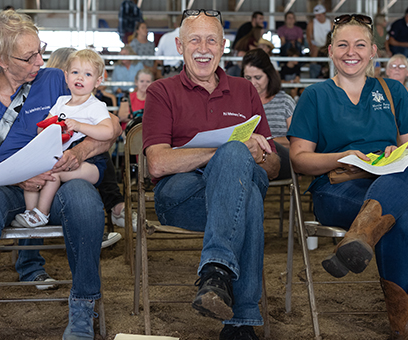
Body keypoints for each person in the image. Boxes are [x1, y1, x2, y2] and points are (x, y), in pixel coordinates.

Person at [0, 11, 119, 340]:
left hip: (58, 179)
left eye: (41, 50)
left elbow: (107, 132)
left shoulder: (56, 79)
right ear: (0, 59)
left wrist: (77, 155)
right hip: (8, 187)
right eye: (29, 57)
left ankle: (83, 307)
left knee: (84, 200)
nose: (40, 61)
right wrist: (17, 177)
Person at [287, 14, 408, 340]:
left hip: (395, 181)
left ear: (373, 52)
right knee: (400, 214)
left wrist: (386, 159)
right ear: (330, 51)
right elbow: (298, 159)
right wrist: (344, 157)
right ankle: (405, 325)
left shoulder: (393, 90)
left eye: (360, 45)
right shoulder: (315, 96)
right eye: (342, 44)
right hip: (339, 188)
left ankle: (362, 236)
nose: (351, 52)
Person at [143, 9, 280, 340]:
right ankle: (242, 321)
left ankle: (215, 275)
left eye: (211, 40)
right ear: (179, 45)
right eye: (194, 40)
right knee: (243, 187)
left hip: (238, 191)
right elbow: (157, 164)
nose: (203, 48)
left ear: (223, 46)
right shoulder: (161, 91)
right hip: (184, 198)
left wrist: (259, 152)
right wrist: (225, 152)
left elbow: (274, 166)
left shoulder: (245, 90)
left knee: (245, 194)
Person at [12, 49, 114, 228]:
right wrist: (47, 130)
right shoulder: (61, 101)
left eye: (87, 74)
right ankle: (30, 212)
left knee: (54, 173)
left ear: (98, 81)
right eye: (75, 72)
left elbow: (108, 132)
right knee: (35, 170)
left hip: (91, 164)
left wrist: (80, 126)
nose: (80, 78)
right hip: (61, 155)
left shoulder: (96, 106)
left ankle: (42, 214)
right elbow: (44, 126)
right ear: (66, 76)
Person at [241, 48, 293, 180]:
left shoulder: (285, 101)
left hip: (279, 157)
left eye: (258, 77)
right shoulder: (239, 102)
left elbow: (296, 139)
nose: (253, 83)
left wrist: (266, 142)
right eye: (248, 78)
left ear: (269, 76)